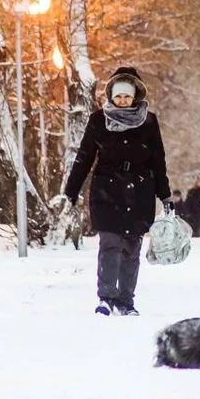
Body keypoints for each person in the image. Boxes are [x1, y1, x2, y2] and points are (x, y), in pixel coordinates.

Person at [63, 67, 171, 317]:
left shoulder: (149, 121)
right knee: (110, 244)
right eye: (119, 96)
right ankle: (106, 298)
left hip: (140, 191)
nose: (123, 101)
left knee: (131, 248)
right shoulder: (99, 120)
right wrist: (71, 190)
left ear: (136, 96)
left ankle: (126, 301)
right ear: (111, 95)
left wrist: (165, 195)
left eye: (127, 96)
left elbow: (158, 160)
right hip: (107, 191)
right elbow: (84, 157)